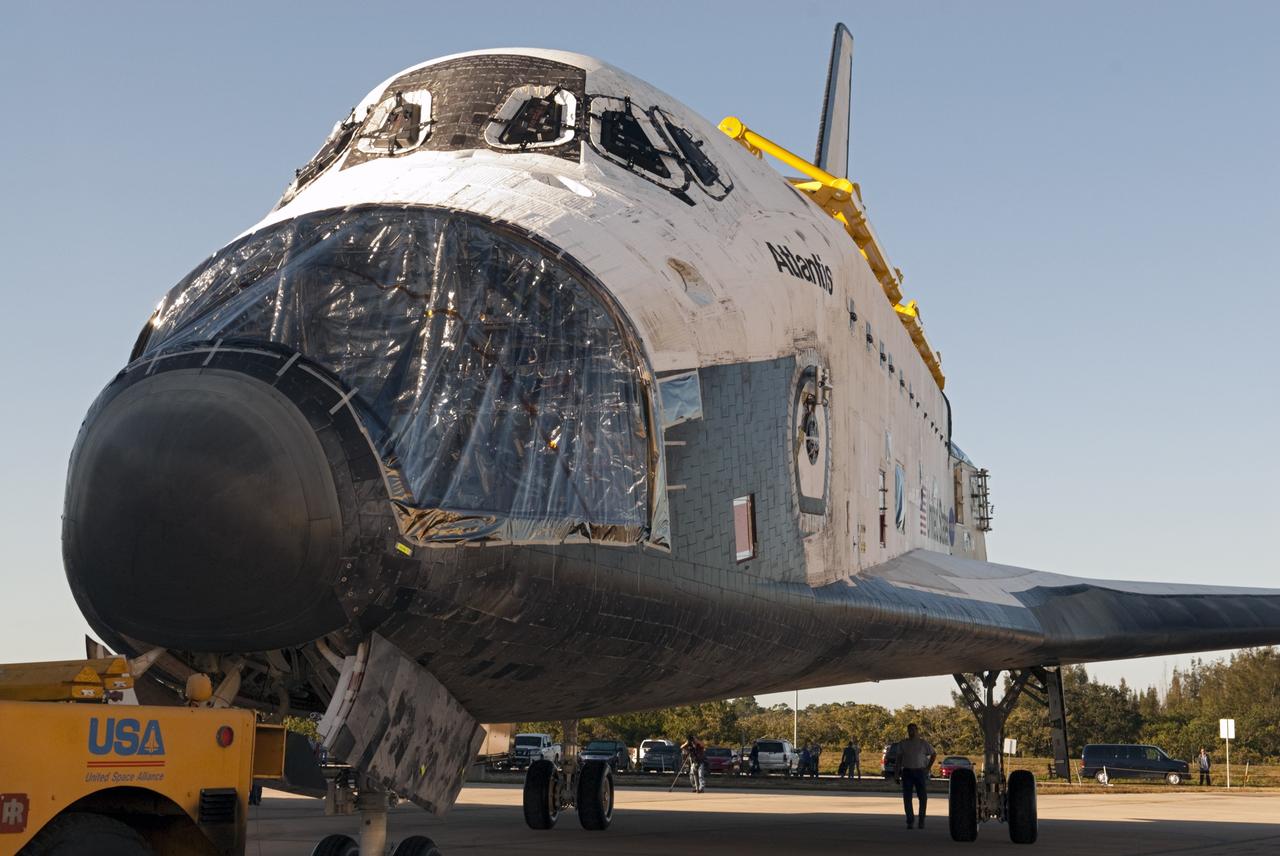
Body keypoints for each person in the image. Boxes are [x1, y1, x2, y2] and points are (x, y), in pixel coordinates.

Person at [895, 723, 936, 830]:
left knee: (923, 797)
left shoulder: (923, 743)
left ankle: (921, 819)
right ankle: (910, 820)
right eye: (909, 730)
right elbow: (898, 760)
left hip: (920, 772)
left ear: (917, 731)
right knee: (907, 797)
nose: (911, 732)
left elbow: (933, 754)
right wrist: (896, 774)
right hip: (907, 772)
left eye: (913, 730)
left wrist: (928, 768)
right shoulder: (903, 744)